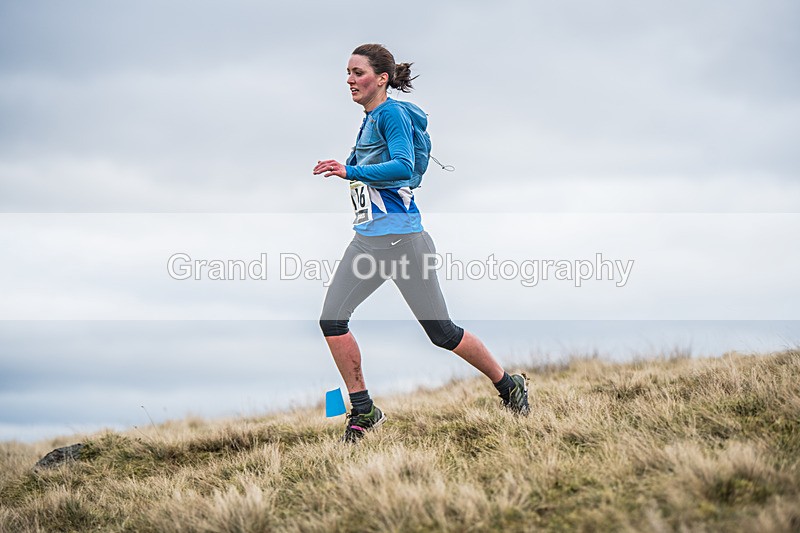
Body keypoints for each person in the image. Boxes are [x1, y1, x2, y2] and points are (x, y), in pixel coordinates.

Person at [313, 43, 529, 443]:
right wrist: (349, 170)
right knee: (332, 321)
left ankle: (508, 384)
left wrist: (349, 170)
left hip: (404, 243)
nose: (349, 80)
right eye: (347, 72)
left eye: (357, 73)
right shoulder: (370, 118)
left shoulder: (390, 114)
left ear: (381, 78)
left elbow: (403, 166)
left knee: (443, 334)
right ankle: (364, 410)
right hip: (367, 243)